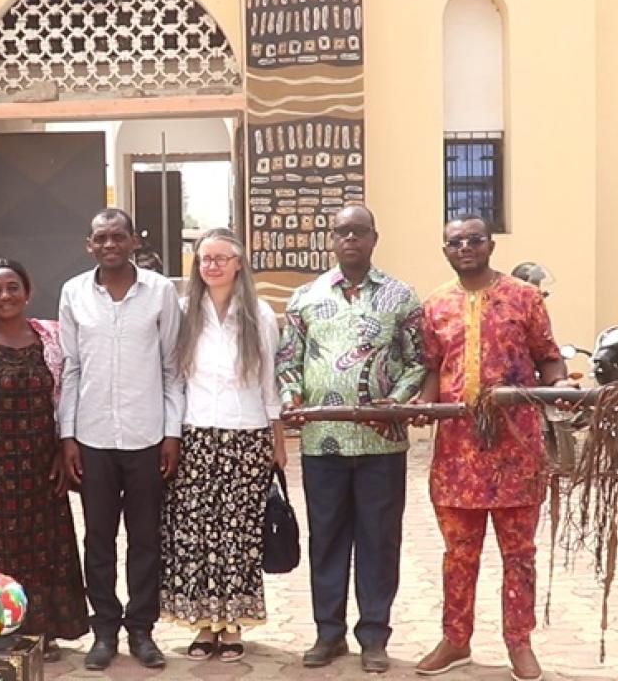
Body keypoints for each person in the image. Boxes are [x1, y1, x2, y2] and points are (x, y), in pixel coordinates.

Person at [414, 214, 571, 681]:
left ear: (490, 245)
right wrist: (423, 405)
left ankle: (519, 643)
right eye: (455, 241)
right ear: (445, 250)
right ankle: (456, 639)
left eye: (474, 240)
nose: (465, 247)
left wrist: (558, 387)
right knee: (458, 553)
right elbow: (431, 368)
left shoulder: (525, 298)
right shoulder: (435, 305)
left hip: (516, 450)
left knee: (518, 553)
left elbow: (549, 357)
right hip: (457, 454)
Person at [276, 204, 426, 673]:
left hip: (382, 443)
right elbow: (287, 361)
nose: (350, 240)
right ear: (332, 240)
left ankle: (375, 636)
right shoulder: (305, 298)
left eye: (359, 232)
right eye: (342, 232)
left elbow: (418, 360)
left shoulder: (401, 297)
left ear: (374, 239)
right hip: (323, 443)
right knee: (328, 539)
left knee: (380, 541)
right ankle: (328, 633)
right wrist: (292, 393)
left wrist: (395, 403)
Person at [58, 207, 184, 671]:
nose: (109, 245)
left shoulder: (160, 292)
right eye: (101, 238)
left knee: (146, 538)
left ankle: (142, 630)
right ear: (89, 244)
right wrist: (67, 436)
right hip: (92, 437)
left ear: (134, 240)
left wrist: (171, 433)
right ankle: (105, 630)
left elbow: (172, 368)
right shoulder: (73, 293)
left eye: (118, 237)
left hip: (148, 434)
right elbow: (71, 368)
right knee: (99, 538)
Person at [0, 258, 89, 661]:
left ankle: (43, 632)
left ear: (27, 293)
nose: (5, 295)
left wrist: (66, 448)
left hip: (41, 465)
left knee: (45, 548)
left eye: (13, 287)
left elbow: (65, 397)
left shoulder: (49, 341)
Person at [160, 228, 286, 663]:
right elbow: (174, 378)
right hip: (195, 433)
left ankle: (233, 626)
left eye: (220, 258)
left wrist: (277, 439)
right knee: (196, 532)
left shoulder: (259, 314)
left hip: (246, 435)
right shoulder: (182, 312)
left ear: (238, 263)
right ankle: (203, 624)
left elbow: (270, 382)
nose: (211, 265)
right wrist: (171, 434)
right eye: (204, 258)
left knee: (238, 533)